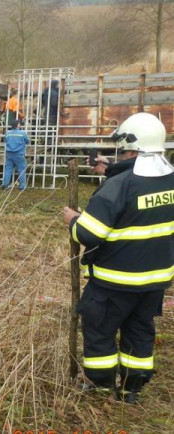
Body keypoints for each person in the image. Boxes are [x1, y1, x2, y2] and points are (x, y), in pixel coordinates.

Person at [62, 112, 174, 405]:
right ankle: (131, 389)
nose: (121, 153)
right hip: (154, 281)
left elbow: (90, 233)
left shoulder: (119, 187)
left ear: (132, 146)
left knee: (99, 332)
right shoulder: (169, 179)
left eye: (124, 148)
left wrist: (74, 220)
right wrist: (112, 171)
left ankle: (100, 388)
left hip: (113, 281)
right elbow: (139, 194)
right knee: (139, 332)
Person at [2, 119, 30, 190]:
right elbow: (27, 141)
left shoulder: (7, 133)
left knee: (8, 169)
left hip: (9, 154)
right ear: (18, 125)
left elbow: (5, 140)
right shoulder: (22, 133)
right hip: (19, 154)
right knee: (21, 169)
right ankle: (22, 186)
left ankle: (5, 185)